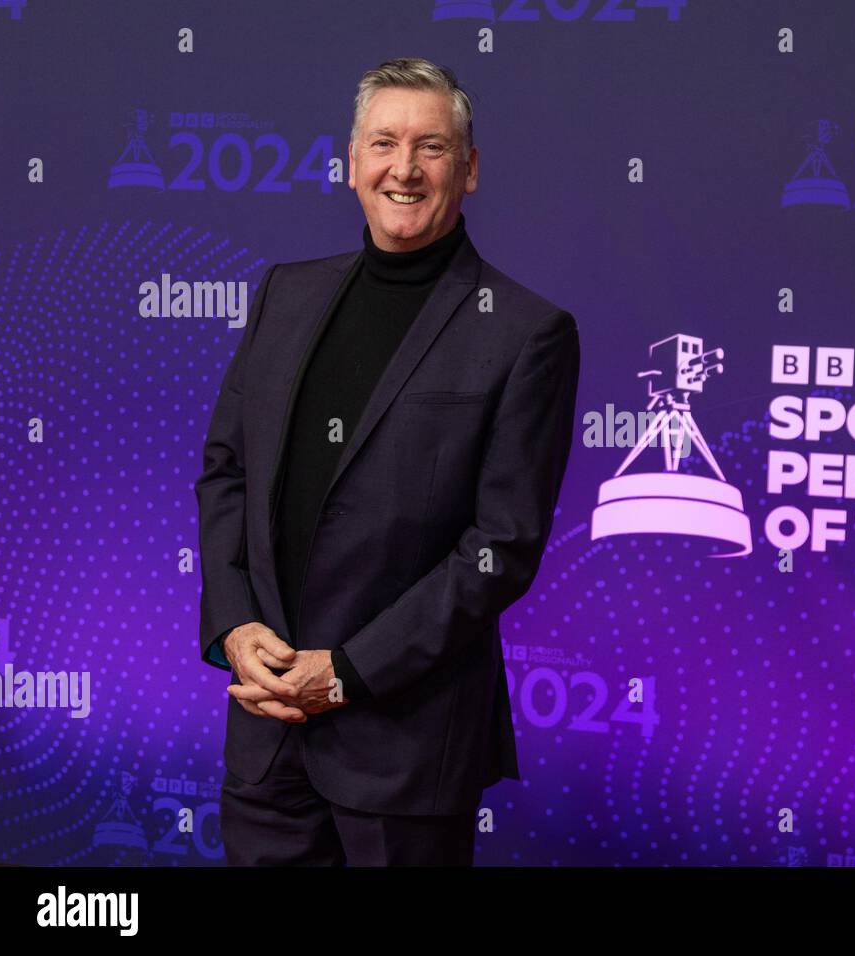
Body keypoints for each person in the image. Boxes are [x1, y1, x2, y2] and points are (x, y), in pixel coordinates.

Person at [194, 57, 580, 865]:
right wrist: (235, 626)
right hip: (265, 740)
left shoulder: (524, 333)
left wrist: (347, 674)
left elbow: (499, 547)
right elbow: (226, 471)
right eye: (384, 143)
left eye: (431, 147)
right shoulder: (283, 294)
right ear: (350, 162)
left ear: (468, 169)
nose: (404, 169)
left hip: (406, 753)